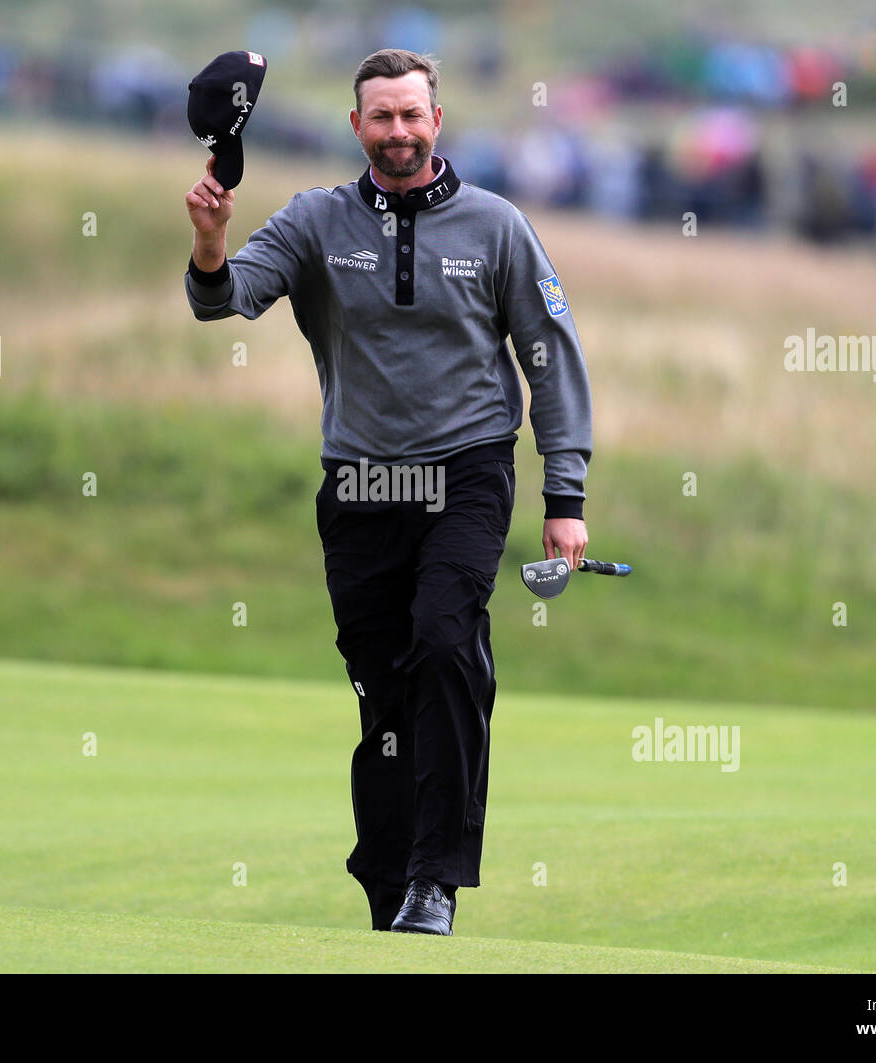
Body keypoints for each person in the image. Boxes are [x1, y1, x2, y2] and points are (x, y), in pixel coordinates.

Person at [183, 48, 593, 935]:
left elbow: (549, 357)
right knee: (384, 694)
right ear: (357, 126)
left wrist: (566, 496)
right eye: (382, 117)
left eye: (413, 115)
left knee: (445, 643)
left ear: (437, 122)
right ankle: (388, 880)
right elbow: (224, 300)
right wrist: (211, 243)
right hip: (360, 485)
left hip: (468, 474)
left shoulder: (498, 227)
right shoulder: (314, 222)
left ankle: (435, 880)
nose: (399, 131)